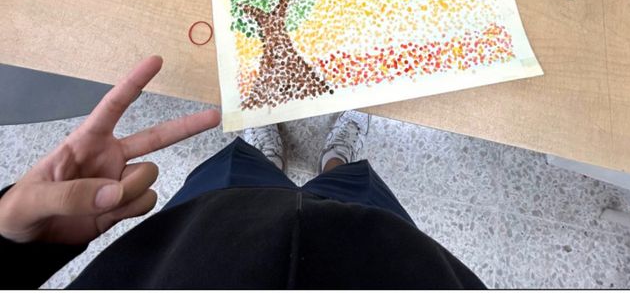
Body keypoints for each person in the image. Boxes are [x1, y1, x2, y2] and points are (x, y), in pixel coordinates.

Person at [0, 56, 484, 289]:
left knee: (239, 173)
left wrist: (17, 244)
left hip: (195, 240)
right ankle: (336, 161)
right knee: (352, 188)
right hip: (384, 257)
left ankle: (267, 159)